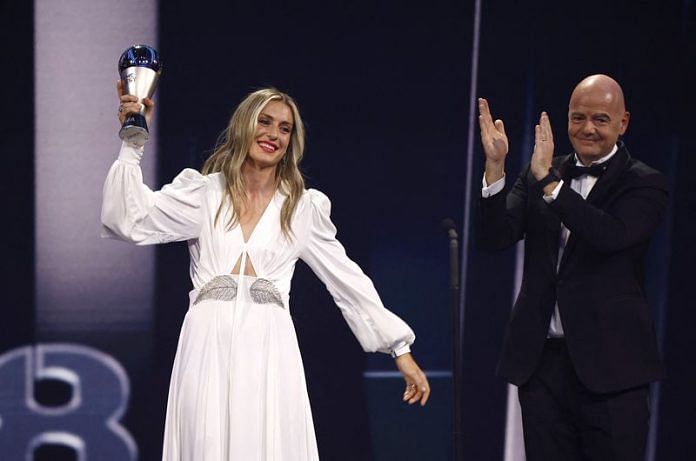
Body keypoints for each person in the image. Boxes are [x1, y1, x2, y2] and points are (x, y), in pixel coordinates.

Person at [102, 84, 430, 460]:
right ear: (244, 125)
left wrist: (398, 348)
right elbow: (128, 219)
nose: (274, 134)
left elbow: (347, 280)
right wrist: (132, 143)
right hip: (207, 345)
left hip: (270, 351)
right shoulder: (205, 194)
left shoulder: (301, 209)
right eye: (265, 121)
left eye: (285, 128)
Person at [477, 74, 667, 460]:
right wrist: (495, 167)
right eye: (578, 118)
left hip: (613, 370)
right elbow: (495, 237)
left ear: (623, 123)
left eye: (600, 119)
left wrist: (550, 184)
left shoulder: (645, 183)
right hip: (543, 367)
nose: (588, 129)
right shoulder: (542, 172)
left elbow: (608, 235)